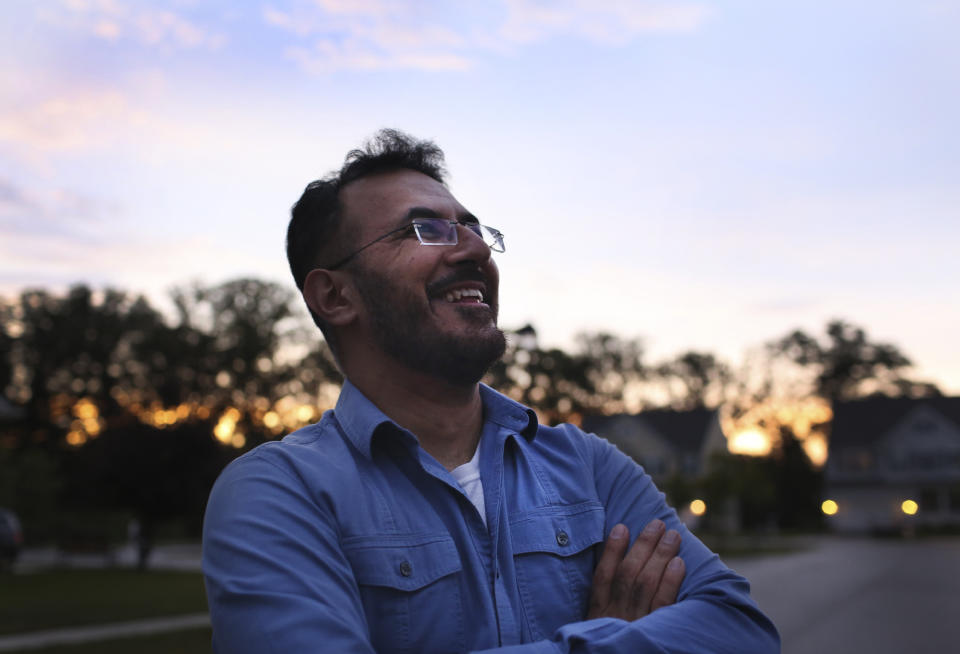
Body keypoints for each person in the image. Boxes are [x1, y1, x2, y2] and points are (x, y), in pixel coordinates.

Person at [202, 129, 780, 653]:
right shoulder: (278, 493)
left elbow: (741, 630)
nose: (475, 250)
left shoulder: (590, 467)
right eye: (424, 230)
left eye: (473, 229)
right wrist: (611, 641)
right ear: (335, 297)